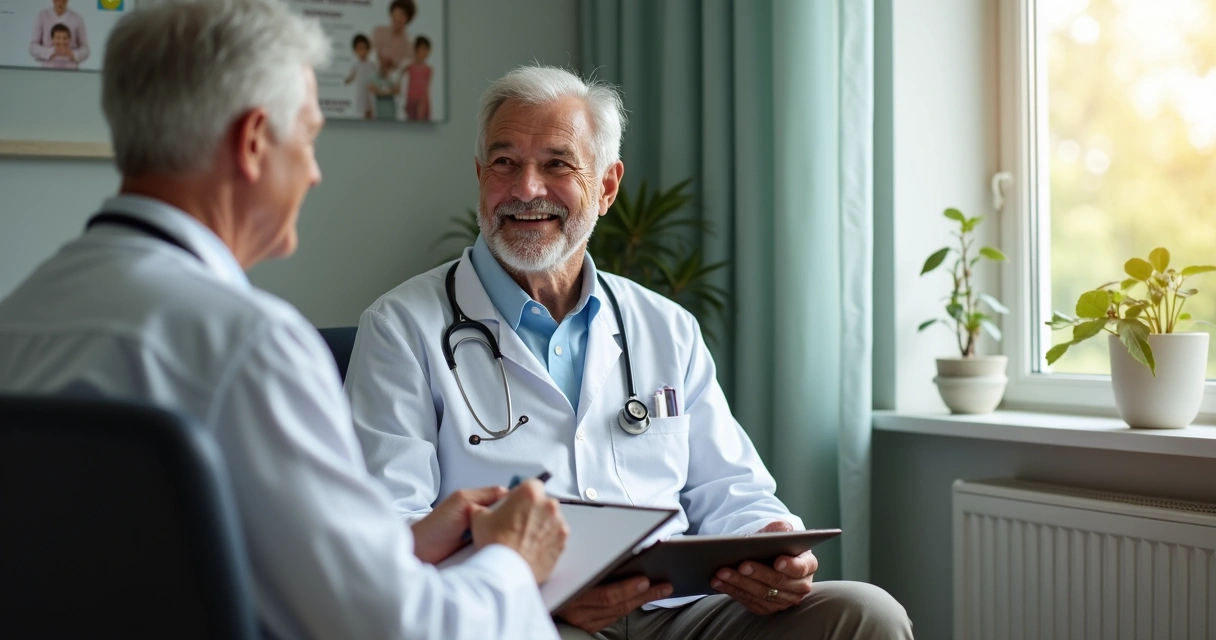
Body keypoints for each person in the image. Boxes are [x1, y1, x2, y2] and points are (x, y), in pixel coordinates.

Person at [0, 4, 567, 640]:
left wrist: (398, 548)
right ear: (252, 142)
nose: (315, 171)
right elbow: (397, 631)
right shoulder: (247, 345)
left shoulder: (17, 321)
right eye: (308, 137)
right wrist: (514, 562)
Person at [345, 65, 915, 639]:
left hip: (678, 611)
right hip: (525, 616)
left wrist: (774, 547)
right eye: (504, 163)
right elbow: (390, 529)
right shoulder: (401, 328)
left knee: (866, 616)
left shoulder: (666, 327)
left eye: (557, 164)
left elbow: (732, 490)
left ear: (607, 187)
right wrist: (536, 594)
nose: (526, 189)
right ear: (479, 177)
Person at [29, 0, 89, 67]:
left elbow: (85, 49)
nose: (60, 2)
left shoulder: (77, 19)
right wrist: (51, 52)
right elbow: (33, 47)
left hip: (71, 70)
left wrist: (71, 53)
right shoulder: (42, 16)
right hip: (47, 70)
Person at [370, 0, 414, 70]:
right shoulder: (378, 32)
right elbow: (368, 55)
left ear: (408, 18)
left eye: (402, 15)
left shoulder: (409, 45)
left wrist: (394, 65)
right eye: (395, 14)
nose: (397, 18)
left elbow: (405, 68)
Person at [343, 33, 376, 119]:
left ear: (368, 49)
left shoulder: (371, 65)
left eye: (363, 48)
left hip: (370, 91)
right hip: (361, 91)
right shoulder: (356, 65)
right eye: (359, 49)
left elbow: (376, 77)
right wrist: (347, 80)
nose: (361, 51)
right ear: (355, 51)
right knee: (363, 109)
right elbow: (352, 76)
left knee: (370, 108)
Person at [403, 35, 432, 121]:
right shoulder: (409, 67)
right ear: (416, 50)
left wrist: (423, 103)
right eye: (421, 49)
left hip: (422, 102)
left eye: (425, 49)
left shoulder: (428, 69)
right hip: (411, 100)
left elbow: (426, 88)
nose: (423, 52)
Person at [369, 55, 400, 120]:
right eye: (382, 64)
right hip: (378, 112)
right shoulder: (375, 77)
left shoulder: (393, 77)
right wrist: (389, 91)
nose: (384, 67)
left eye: (386, 65)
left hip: (391, 111)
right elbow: (372, 89)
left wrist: (381, 91)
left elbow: (397, 90)